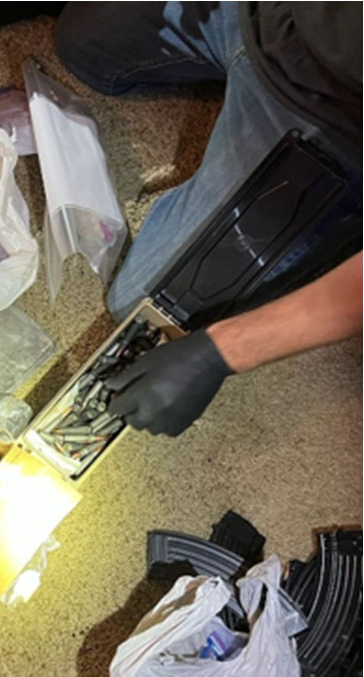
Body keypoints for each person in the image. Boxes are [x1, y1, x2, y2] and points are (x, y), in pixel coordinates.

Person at [56, 1, 362, 435]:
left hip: (336, 119)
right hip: (262, 14)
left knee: (144, 314)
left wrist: (221, 351)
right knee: (81, 47)